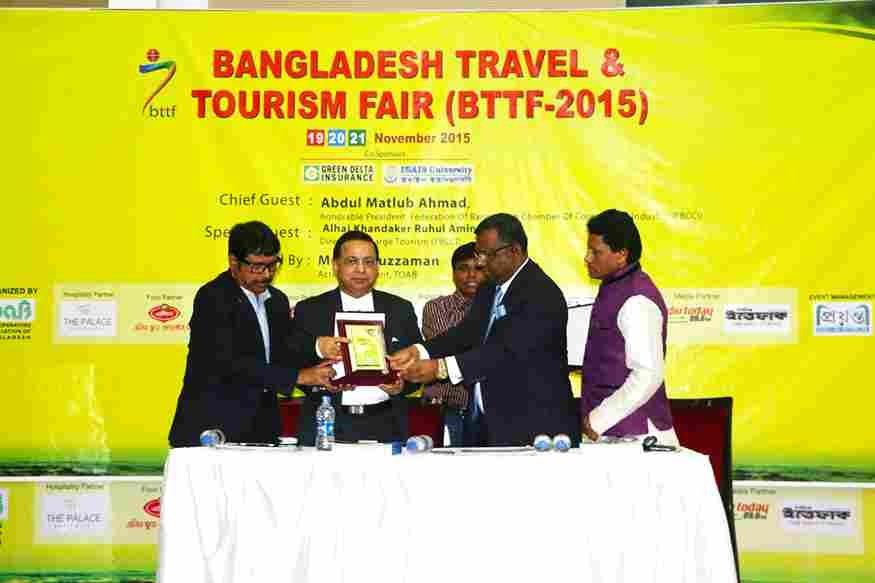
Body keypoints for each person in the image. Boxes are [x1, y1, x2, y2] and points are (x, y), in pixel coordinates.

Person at [391, 213, 578, 446]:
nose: (480, 262)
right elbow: (466, 333)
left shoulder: (541, 293)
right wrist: (419, 351)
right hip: (486, 423)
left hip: (533, 427)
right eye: (479, 253)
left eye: (488, 254)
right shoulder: (490, 287)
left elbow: (505, 352)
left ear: (515, 250)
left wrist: (441, 368)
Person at [168, 221, 341, 447]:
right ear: (234, 262)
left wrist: (323, 368)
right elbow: (229, 363)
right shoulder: (213, 297)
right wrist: (298, 376)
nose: (266, 274)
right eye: (257, 267)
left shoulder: (277, 301)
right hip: (213, 430)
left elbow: (284, 355)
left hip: (261, 429)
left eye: (272, 265)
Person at [293, 230, 423, 445]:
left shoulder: (400, 309)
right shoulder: (310, 310)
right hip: (327, 423)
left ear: (378, 267)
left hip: (386, 423)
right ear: (336, 266)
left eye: (369, 262)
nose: (361, 270)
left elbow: (418, 365)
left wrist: (402, 385)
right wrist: (323, 381)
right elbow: (291, 362)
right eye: (352, 261)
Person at [580, 209, 678, 446]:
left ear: (621, 255)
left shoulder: (637, 299)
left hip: (636, 437)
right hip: (613, 432)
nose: (587, 258)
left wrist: (599, 419)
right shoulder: (615, 286)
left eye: (596, 252)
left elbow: (648, 374)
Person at [421, 242, 486, 446]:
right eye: (463, 268)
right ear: (453, 273)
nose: (471, 275)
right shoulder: (436, 308)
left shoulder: (499, 308)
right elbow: (452, 349)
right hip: (446, 409)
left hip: (489, 410)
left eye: (478, 268)